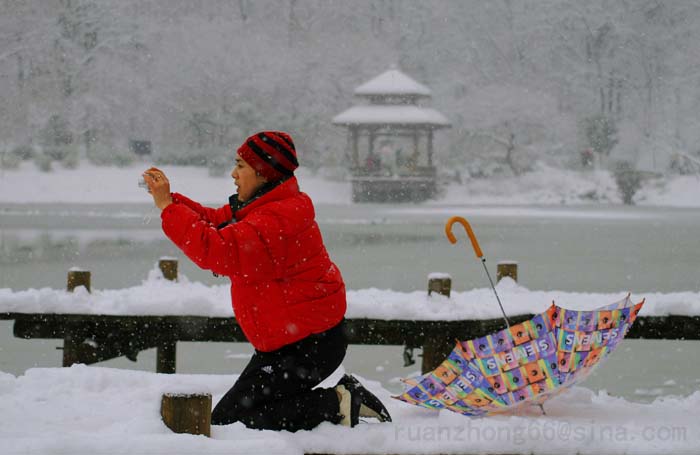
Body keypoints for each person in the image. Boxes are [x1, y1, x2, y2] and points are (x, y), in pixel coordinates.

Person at [143, 131, 391, 431]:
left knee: (233, 421)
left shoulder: (274, 220)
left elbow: (216, 249)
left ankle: (339, 402)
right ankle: (338, 401)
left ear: (263, 173)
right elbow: (215, 221)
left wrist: (168, 209)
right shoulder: (263, 206)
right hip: (291, 343)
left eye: (241, 166)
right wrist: (172, 201)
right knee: (230, 419)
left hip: (309, 346)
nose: (233, 174)